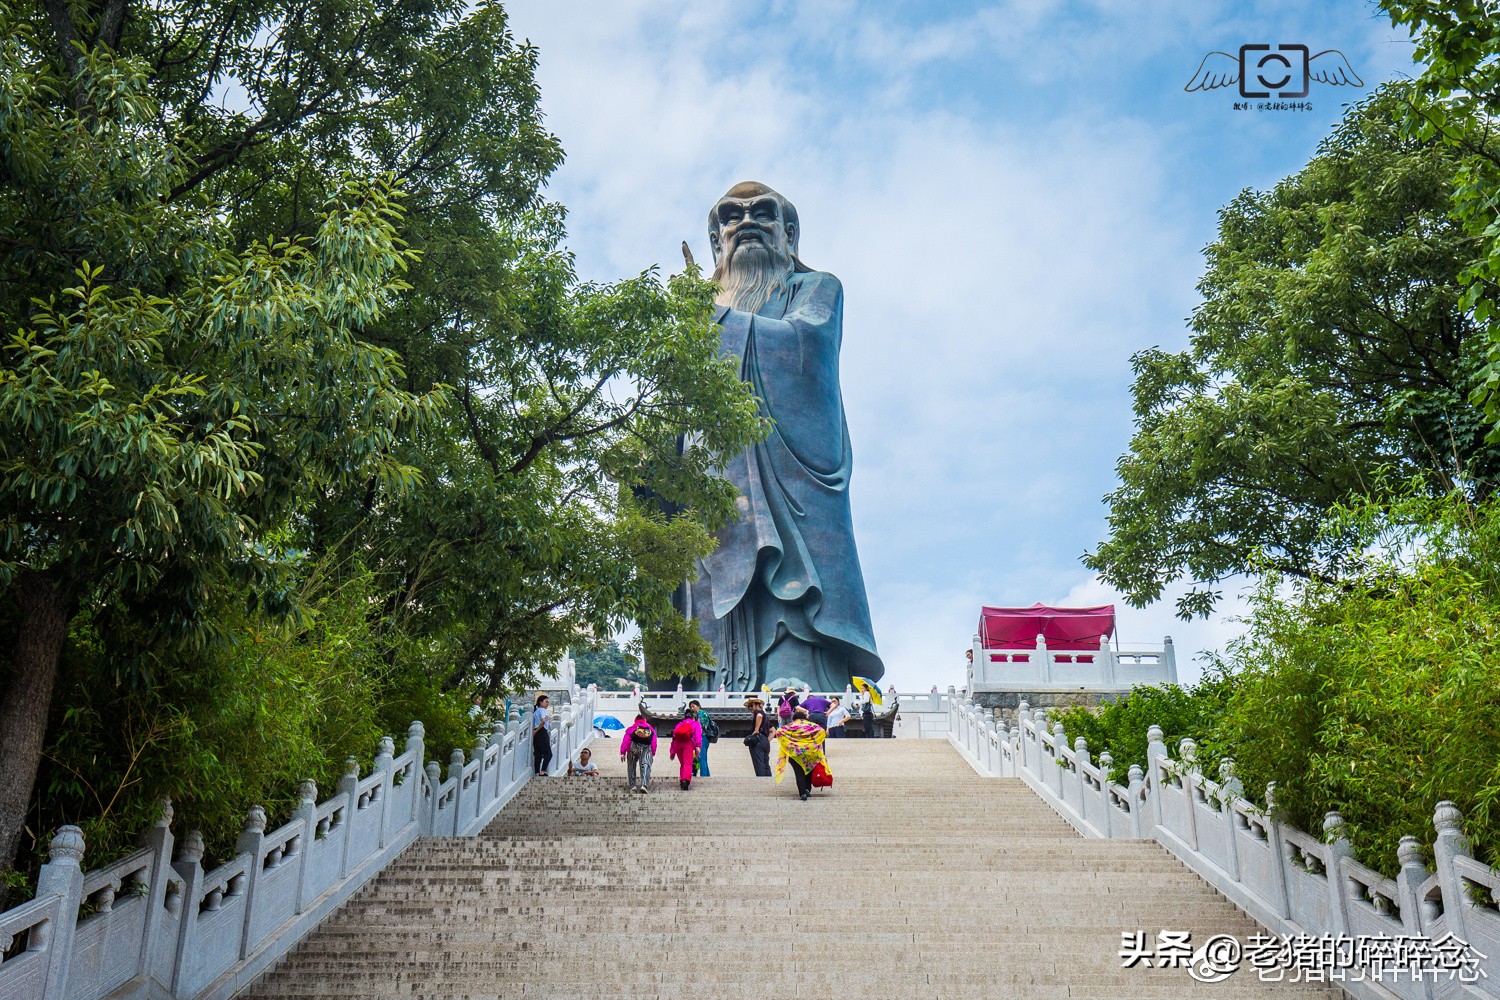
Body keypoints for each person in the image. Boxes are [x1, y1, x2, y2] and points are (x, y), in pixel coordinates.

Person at [684, 182, 885, 693]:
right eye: (730, 216)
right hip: (712, 471)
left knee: (787, 569)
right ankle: (713, 686)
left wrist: (711, 319)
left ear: (789, 234)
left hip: (788, 466)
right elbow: (674, 402)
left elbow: (805, 347)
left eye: (762, 212)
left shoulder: (816, 289)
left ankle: (792, 666)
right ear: (715, 243)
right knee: (703, 551)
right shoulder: (693, 311)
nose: (744, 221)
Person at [773, 707, 828, 801]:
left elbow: (779, 731)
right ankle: (807, 790)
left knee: (799, 772)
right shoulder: (811, 725)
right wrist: (814, 743)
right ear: (805, 718)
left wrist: (789, 743)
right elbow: (822, 731)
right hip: (810, 752)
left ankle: (802, 793)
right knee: (809, 771)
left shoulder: (791, 725)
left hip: (794, 753)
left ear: (794, 718)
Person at [619, 714, 657, 793]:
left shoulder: (632, 728)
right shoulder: (650, 729)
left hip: (633, 747)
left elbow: (626, 740)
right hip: (646, 748)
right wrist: (652, 753)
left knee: (631, 766)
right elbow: (654, 742)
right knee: (645, 764)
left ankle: (633, 786)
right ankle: (644, 785)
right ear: (645, 720)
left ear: (635, 720)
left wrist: (623, 752)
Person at [668, 713, 703, 790]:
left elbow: (674, 737)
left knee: (683, 764)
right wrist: (698, 746)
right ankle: (685, 780)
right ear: (692, 717)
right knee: (688, 763)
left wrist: (672, 751)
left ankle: (682, 779)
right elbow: (698, 735)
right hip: (688, 743)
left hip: (677, 744)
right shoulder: (696, 724)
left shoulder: (680, 724)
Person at [743, 696, 773, 776]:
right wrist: (767, 740)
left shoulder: (758, 713)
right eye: (749, 707)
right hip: (765, 741)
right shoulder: (765, 716)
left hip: (758, 739)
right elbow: (773, 731)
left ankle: (761, 781)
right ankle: (768, 780)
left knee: (759, 763)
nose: (750, 708)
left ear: (757, 705)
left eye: (751, 706)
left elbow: (759, 716)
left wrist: (756, 730)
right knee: (765, 763)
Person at [688, 700, 717, 777]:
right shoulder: (703, 713)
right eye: (691, 707)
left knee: (701, 758)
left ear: (698, 706)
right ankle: (706, 775)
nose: (692, 708)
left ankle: (703, 775)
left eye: (693, 706)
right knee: (701, 757)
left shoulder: (700, 713)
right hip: (704, 738)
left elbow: (700, 727)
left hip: (702, 737)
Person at [531, 694, 553, 775]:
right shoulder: (542, 710)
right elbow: (543, 721)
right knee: (548, 753)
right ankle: (543, 771)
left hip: (537, 733)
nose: (547, 703)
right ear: (540, 702)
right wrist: (536, 731)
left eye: (548, 702)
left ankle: (537, 772)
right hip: (541, 731)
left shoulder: (536, 711)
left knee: (538, 754)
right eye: (546, 702)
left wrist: (535, 731)